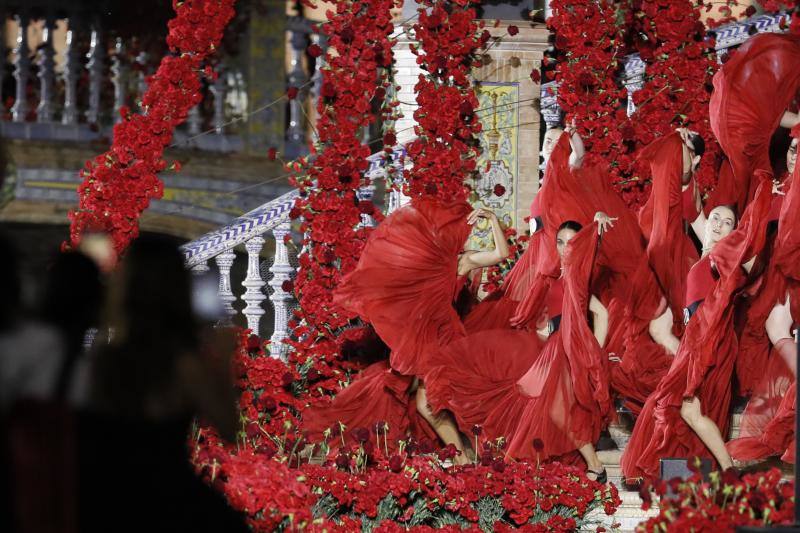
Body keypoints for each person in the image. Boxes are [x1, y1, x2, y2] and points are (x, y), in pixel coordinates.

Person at [302, 200, 511, 464]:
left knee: (432, 400)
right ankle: (466, 456)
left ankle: (468, 456)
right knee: (432, 400)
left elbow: (501, 254)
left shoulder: (462, 262)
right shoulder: (428, 264)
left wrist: (492, 221)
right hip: (426, 337)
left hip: (444, 337)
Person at [425, 214, 616, 481]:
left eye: (572, 244)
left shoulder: (577, 275)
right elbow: (562, 314)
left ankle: (595, 465)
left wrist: (594, 352)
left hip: (566, 350)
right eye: (560, 242)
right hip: (551, 348)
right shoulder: (557, 275)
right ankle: (583, 464)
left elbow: (602, 313)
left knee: (556, 409)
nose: (565, 248)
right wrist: (548, 331)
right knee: (534, 401)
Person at [78, 235, 246, 532]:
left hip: (105, 498)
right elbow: (229, 428)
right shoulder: (182, 363)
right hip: (169, 499)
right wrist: (222, 359)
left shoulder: (104, 359)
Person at [621, 174, 775, 481]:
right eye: (714, 218)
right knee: (677, 410)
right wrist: (685, 167)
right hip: (695, 345)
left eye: (727, 222)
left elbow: (751, 255)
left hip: (711, 344)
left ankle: (730, 470)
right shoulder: (700, 261)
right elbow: (688, 203)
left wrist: (764, 199)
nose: (717, 224)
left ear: (734, 232)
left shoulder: (724, 260)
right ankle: (707, 475)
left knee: (686, 409)